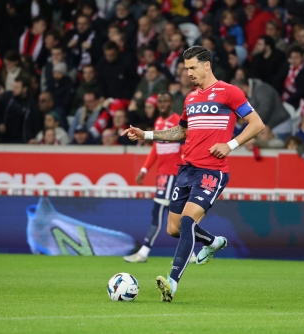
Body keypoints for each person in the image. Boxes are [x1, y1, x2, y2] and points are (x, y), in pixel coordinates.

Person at [122, 46, 265, 302]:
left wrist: (230, 145)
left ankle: (172, 282)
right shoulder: (190, 99)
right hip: (186, 170)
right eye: (186, 68)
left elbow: (257, 123)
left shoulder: (229, 92)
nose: (188, 73)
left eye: (192, 67)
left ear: (207, 65)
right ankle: (212, 242)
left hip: (212, 171)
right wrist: (146, 135)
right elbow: (180, 132)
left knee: (188, 222)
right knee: (173, 228)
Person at [124, 92, 195, 263]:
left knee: (162, 214)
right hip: (162, 176)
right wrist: (144, 169)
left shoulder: (179, 121)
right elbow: (156, 149)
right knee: (175, 216)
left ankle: (144, 253)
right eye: (160, 101)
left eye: (166, 101)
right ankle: (189, 253)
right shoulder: (158, 122)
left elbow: (187, 148)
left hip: (173, 175)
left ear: (171, 103)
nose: (162, 104)